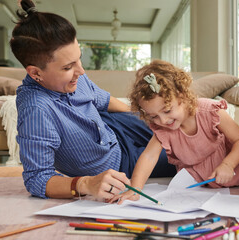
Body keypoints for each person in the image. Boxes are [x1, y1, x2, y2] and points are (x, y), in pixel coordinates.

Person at [10, 0, 175, 201]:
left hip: (117, 127)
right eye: (68, 67)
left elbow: (104, 101)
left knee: (182, 126)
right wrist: (86, 183)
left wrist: (141, 119)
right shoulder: (36, 109)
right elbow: (37, 178)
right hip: (121, 162)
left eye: (78, 58)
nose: (81, 71)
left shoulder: (76, 77)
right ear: (36, 73)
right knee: (189, 159)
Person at [114, 60, 239, 203]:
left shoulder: (210, 111)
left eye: (167, 110)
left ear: (183, 95)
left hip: (233, 169)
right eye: (153, 117)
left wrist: (228, 165)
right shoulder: (162, 129)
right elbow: (149, 156)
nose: (163, 120)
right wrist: (135, 189)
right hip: (197, 175)